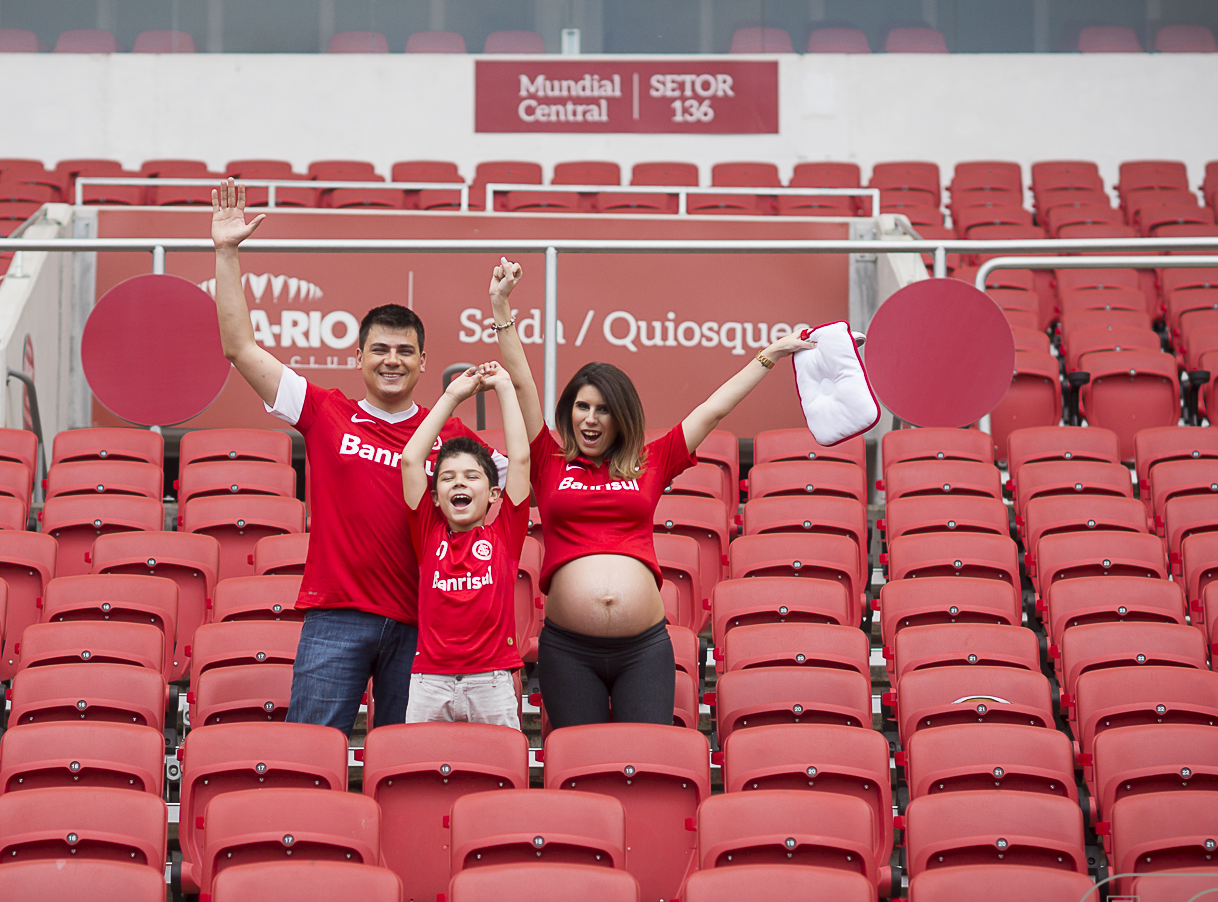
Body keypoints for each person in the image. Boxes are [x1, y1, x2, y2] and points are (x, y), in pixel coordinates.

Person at [209, 179, 494, 734]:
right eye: (380, 349)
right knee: (309, 756)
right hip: (336, 618)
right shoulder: (324, 411)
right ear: (358, 355)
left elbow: (527, 474)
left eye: (405, 351)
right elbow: (239, 347)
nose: (392, 360)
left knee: (406, 764)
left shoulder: (453, 435)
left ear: (423, 361)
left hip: (421, 621)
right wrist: (226, 252)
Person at [487, 256, 814, 727]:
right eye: (581, 407)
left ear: (621, 417)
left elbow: (712, 410)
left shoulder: (650, 461)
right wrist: (500, 305)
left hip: (643, 648)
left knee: (646, 758)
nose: (590, 419)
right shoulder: (547, 459)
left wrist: (771, 355)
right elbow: (522, 383)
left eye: (603, 409)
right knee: (579, 760)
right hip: (568, 648)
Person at [398, 360, 532, 728]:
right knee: (418, 764)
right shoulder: (427, 533)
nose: (459, 482)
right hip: (429, 682)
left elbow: (521, 459)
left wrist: (504, 386)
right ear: (435, 497)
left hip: (493, 682)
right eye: (447, 478)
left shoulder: (504, 535)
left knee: (502, 763)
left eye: (472, 476)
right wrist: (452, 396)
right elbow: (410, 460)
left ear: (493, 494)